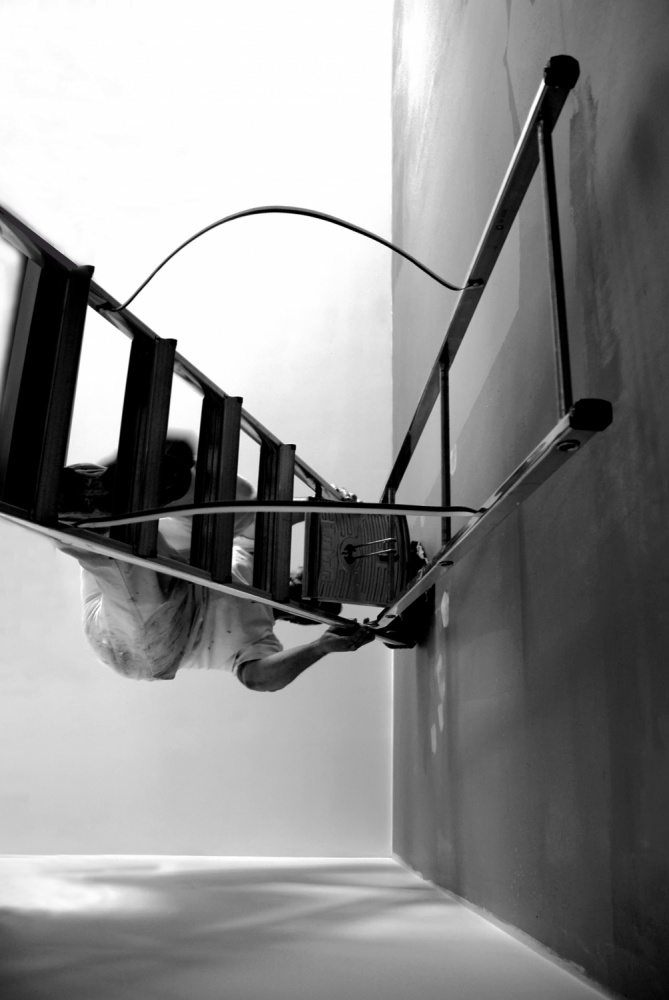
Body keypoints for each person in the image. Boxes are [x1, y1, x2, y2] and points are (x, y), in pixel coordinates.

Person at [58, 437, 375, 692]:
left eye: (312, 597)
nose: (303, 584)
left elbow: (260, 680)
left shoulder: (259, 637)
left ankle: (93, 520)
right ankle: (148, 488)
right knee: (240, 502)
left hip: (145, 644)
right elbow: (267, 521)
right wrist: (321, 508)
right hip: (171, 561)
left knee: (146, 587)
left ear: (299, 616)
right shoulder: (253, 558)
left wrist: (321, 647)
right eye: (311, 579)